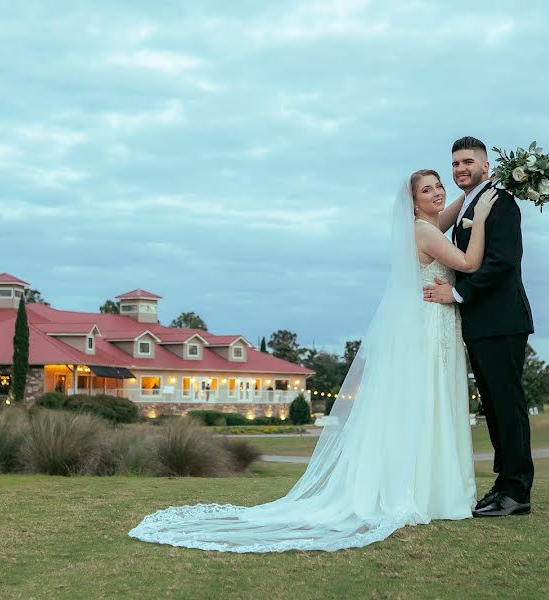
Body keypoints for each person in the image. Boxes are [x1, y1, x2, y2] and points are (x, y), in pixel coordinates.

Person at [127, 170, 497, 552]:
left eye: (439, 186)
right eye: (427, 189)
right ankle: (429, 490)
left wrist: (475, 194)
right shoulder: (425, 232)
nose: (438, 192)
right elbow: (469, 263)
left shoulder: (426, 226)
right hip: (429, 327)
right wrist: (482, 215)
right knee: (430, 400)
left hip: (432, 323)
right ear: (413, 202)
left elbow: (449, 214)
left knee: (428, 403)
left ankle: (430, 487)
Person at [423, 136, 535, 517]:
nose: (459, 169)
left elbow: (502, 261)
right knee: (494, 408)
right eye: (455, 164)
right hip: (481, 325)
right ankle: (504, 485)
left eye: (467, 162)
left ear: (486, 166)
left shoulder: (500, 202)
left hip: (502, 322)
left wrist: (456, 295)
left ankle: (517, 491)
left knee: (509, 407)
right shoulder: (472, 203)